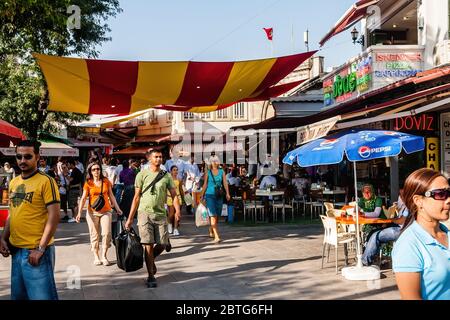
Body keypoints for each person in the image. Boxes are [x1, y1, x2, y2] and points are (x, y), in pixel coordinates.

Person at [0, 140, 60, 300]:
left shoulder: (46, 181)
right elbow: (13, 213)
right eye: (19, 156)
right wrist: (3, 238)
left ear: (37, 157)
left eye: (27, 156)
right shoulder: (14, 182)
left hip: (35, 252)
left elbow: (54, 216)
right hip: (16, 250)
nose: (22, 161)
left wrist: (40, 249)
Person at [125, 150, 180, 288]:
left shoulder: (166, 176)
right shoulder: (142, 174)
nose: (159, 159)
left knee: (162, 244)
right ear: (150, 159)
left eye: (161, 156)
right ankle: (151, 275)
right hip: (144, 213)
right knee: (148, 244)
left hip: (161, 213)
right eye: (156, 157)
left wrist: (178, 210)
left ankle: (150, 259)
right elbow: (136, 197)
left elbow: (174, 195)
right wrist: (130, 218)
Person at [392, 168, 450, 300]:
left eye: (449, 192)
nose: (448, 200)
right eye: (440, 194)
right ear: (418, 201)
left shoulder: (446, 233)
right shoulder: (409, 245)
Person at [75, 162, 123, 266]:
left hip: (106, 211)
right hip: (92, 213)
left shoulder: (106, 181)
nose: (96, 171)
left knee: (106, 234)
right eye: (94, 169)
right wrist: (79, 213)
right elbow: (83, 198)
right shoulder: (88, 183)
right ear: (90, 172)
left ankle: (104, 256)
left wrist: (117, 208)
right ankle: (96, 256)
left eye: (98, 169)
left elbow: (111, 195)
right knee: (94, 235)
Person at [361, 189, 410, 266]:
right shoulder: (404, 205)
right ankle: (371, 257)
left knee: (375, 236)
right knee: (373, 232)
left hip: (402, 231)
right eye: (400, 195)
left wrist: (391, 220)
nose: (400, 197)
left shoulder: (408, 206)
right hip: (398, 227)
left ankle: (365, 261)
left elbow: (401, 221)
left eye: (401, 195)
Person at [200, 156, 231, 243]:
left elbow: (225, 183)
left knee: (217, 215)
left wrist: (228, 193)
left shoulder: (222, 172)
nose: (216, 162)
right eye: (214, 160)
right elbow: (205, 184)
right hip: (209, 195)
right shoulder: (208, 172)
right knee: (213, 215)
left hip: (219, 195)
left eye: (217, 160)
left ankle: (211, 228)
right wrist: (201, 195)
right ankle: (216, 236)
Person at [167, 165, 184, 236]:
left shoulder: (179, 179)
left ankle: (176, 229)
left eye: (176, 170)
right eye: (174, 170)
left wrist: (184, 199)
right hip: (169, 198)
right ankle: (170, 224)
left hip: (178, 198)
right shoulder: (167, 179)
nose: (175, 171)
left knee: (177, 214)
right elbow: (165, 190)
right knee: (171, 214)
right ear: (170, 171)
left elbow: (181, 189)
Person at [67, 159, 83, 223]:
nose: (68, 166)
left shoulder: (74, 171)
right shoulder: (76, 170)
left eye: (68, 164)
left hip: (74, 189)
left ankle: (74, 217)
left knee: (74, 204)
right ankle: (74, 216)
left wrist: (65, 175)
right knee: (74, 203)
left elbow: (70, 180)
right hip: (76, 189)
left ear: (71, 164)